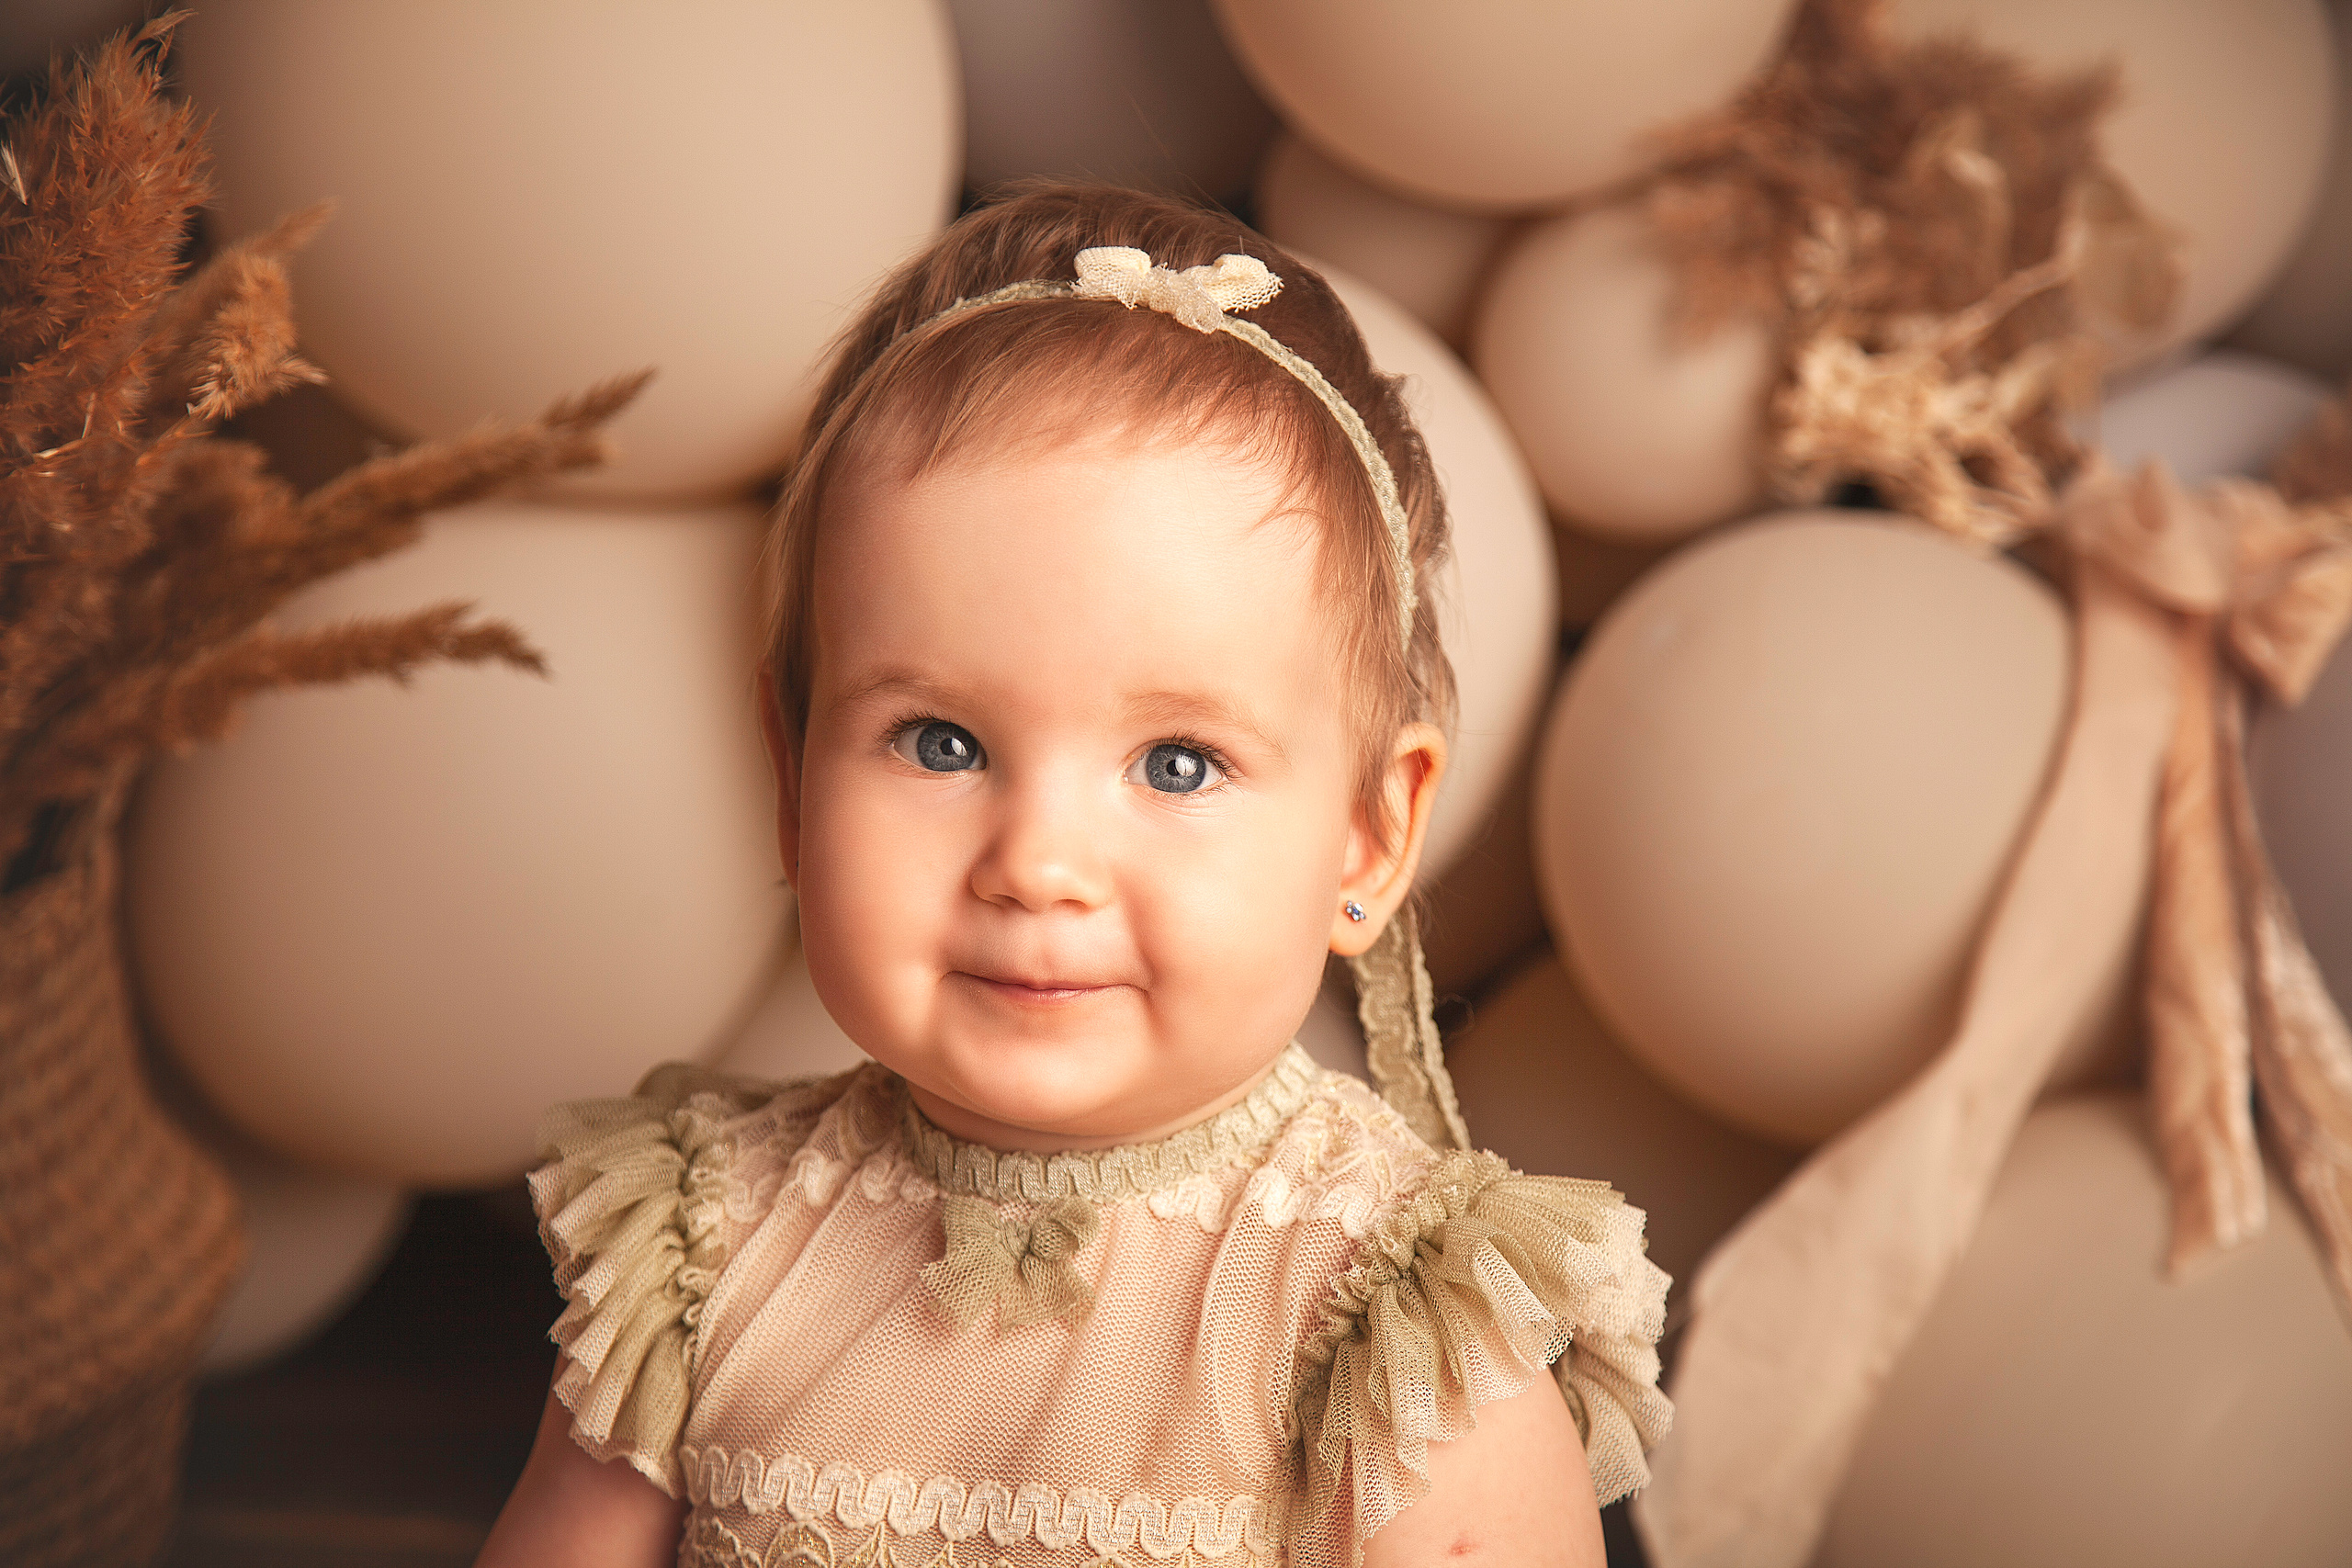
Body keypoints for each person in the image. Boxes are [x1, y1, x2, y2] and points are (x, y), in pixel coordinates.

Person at [478, 183, 1670, 1568]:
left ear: (1367, 836)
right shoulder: (709, 1250)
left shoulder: (1381, 1322)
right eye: (941, 742)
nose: (1037, 865)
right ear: (790, 778)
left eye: (1176, 765)